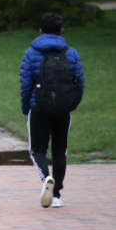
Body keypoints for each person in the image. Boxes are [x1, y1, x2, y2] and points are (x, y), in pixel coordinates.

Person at [20, 13, 85, 208]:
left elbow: (25, 84)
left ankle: (46, 178)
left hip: (38, 107)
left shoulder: (31, 53)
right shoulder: (71, 53)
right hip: (63, 110)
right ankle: (56, 195)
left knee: (37, 150)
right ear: (61, 31)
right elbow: (79, 82)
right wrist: (72, 103)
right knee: (60, 151)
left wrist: (26, 107)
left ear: (40, 31)